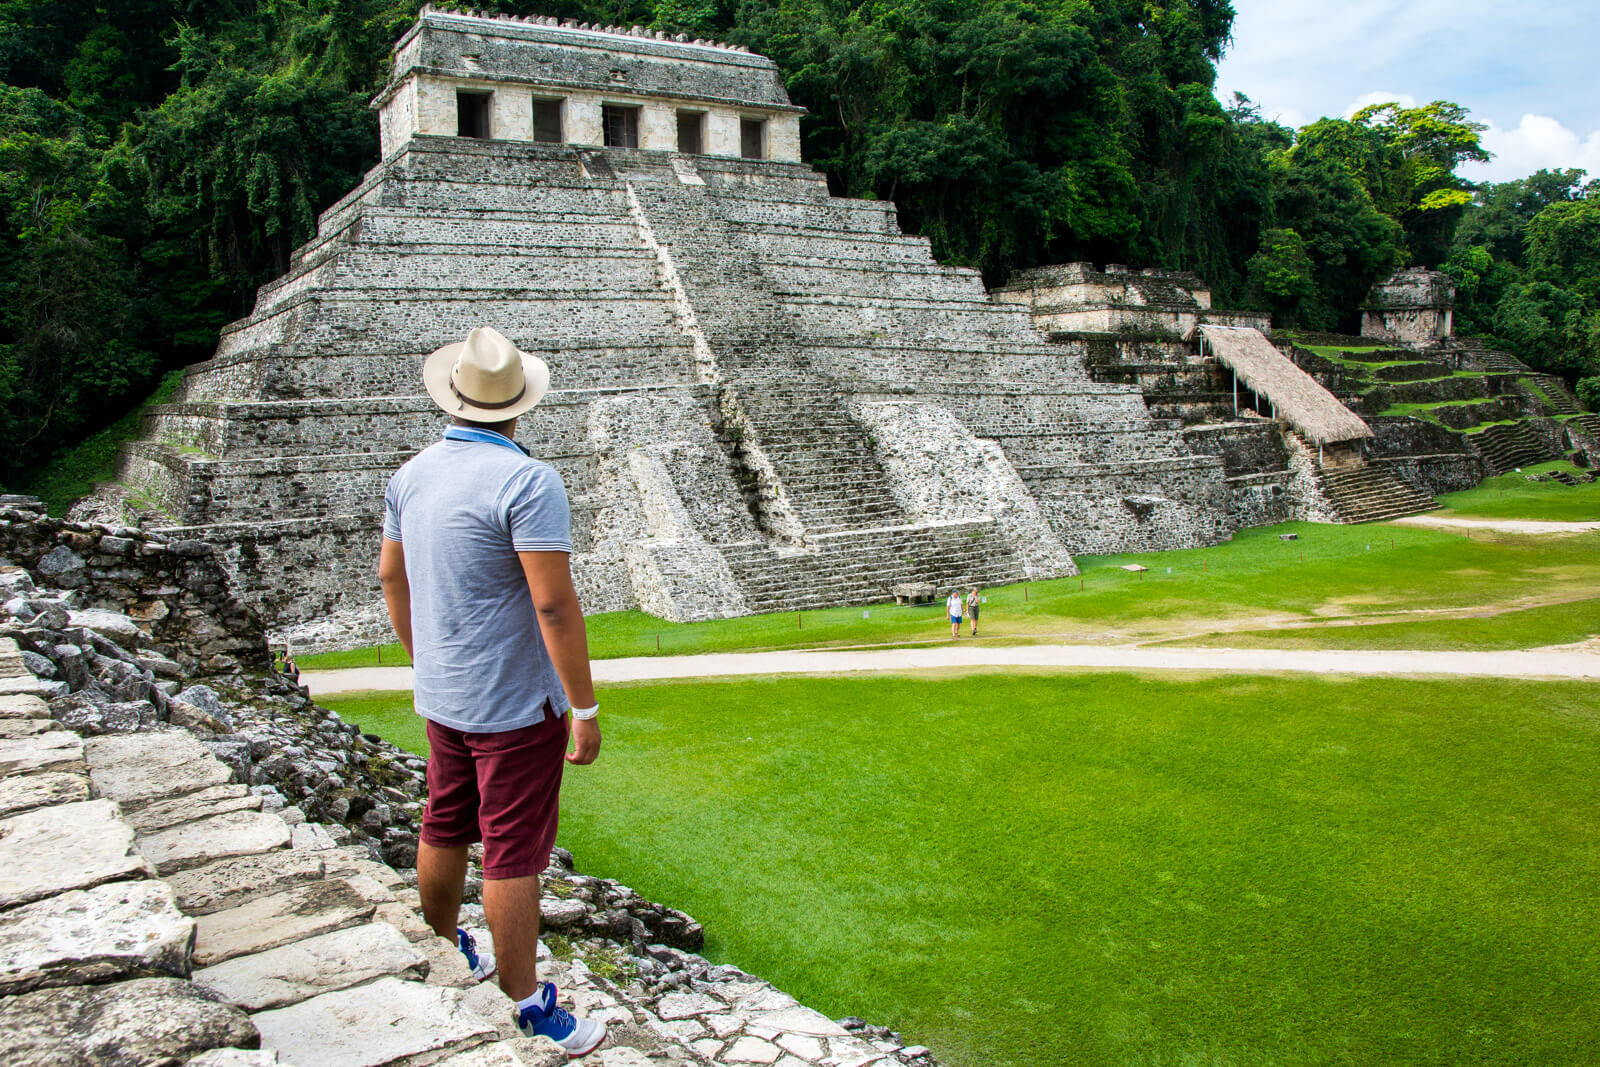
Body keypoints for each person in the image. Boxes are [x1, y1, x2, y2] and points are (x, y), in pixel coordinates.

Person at [378, 326, 606, 1057]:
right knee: (514, 849)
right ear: (518, 405)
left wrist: (426, 660)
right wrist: (584, 707)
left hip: (443, 695)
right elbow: (553, 605)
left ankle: (445, 948)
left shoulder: (410, 475)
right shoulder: (526, 481)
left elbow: (391, 576)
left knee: (444, 820)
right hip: (514, 704)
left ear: (453, 396)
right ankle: (526, 1003)